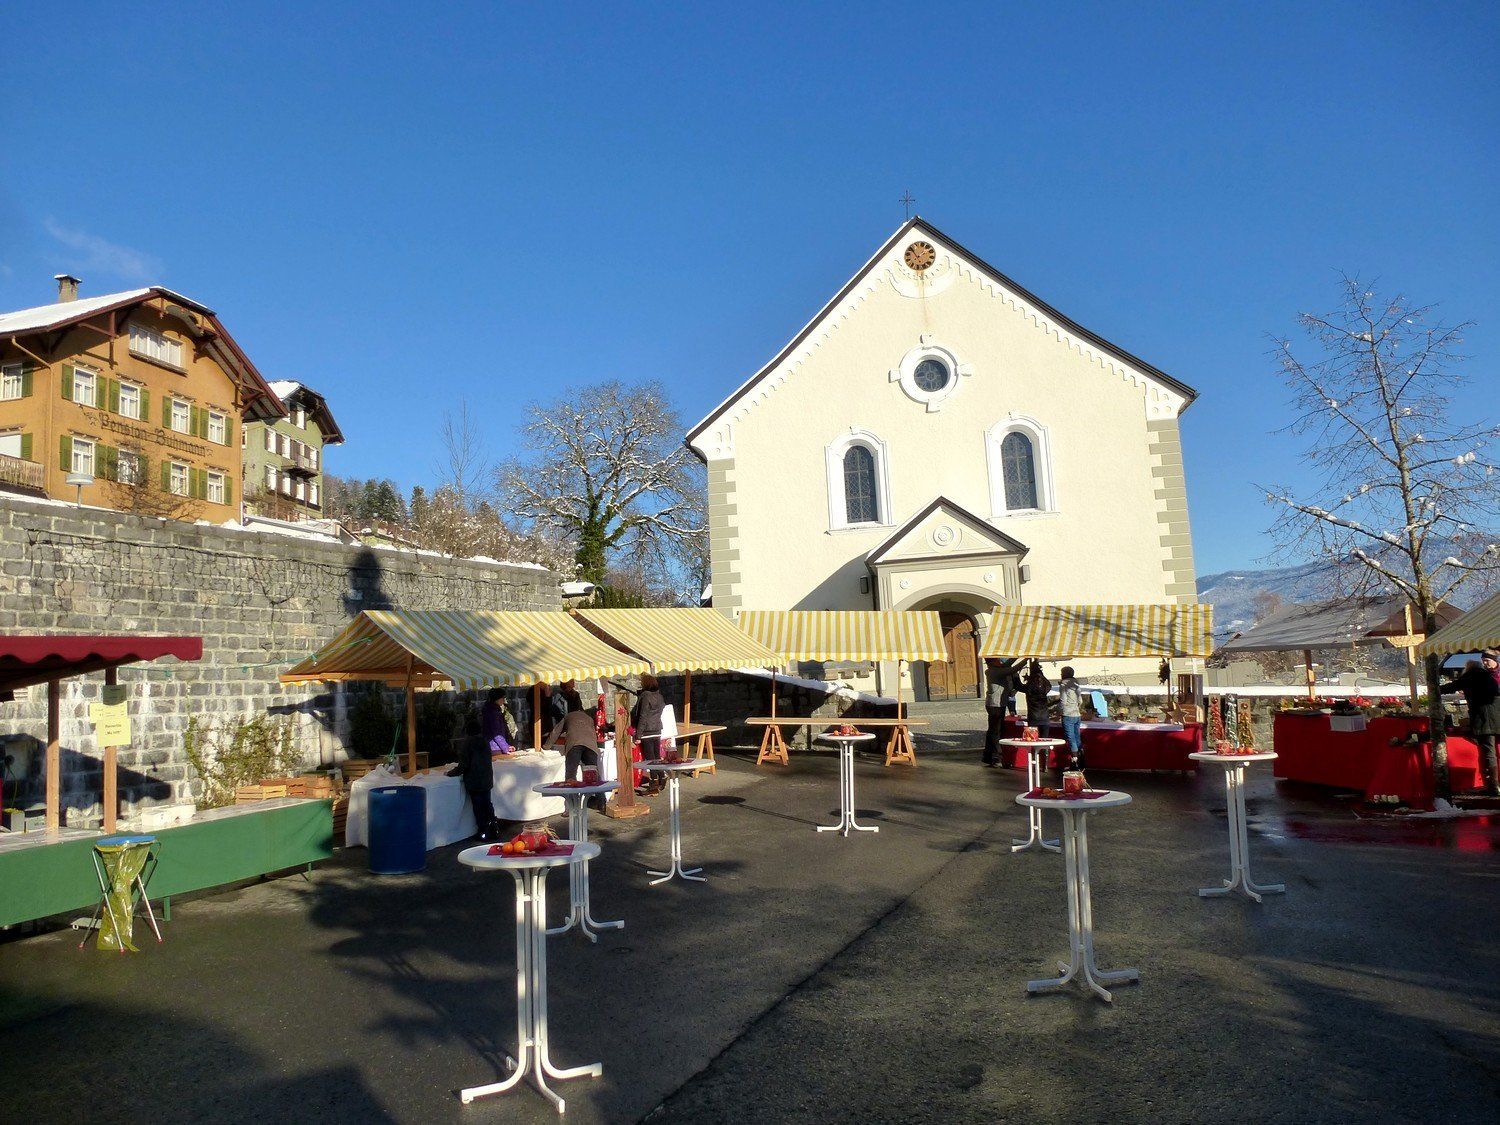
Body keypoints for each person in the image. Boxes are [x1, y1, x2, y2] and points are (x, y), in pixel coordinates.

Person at [1440, 650, 1500, 795]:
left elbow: (1449, 687)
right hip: (1497, 719)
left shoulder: (1471, 676)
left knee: (1488, 752)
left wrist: (1434, 689)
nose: (1485, 663)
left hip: (1483, 720)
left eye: (1487, 660)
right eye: (1484, 661)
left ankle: (1493, 786)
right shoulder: (1490, 677)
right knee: (1494, 751)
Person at [547, 695, 603, 807]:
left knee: (571, 775)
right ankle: (601, 802)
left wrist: (546, 746)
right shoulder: (589, 718)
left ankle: (572, 804)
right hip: (591, 745)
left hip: (574, 744)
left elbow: (556, 732)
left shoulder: (568, 716)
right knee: (593, 775)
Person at [448, 725, 499, 842]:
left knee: (478, 807)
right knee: (487, 804)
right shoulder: (485, 742)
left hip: (474, 780)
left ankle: (483, 831)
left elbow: (463, 765)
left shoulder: (467, 744)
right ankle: (494, 828)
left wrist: (451, 773)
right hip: (486, 779)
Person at [981, 658, 1011, 768]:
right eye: (998, 660)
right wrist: (1025, 659)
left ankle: (988, 756)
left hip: (997, 704)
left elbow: (1008, 664)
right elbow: (1011, 669)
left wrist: (1018, 656)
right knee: (996, 731)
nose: (1000, 662)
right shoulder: (993, 671)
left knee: (993, 730)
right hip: (995, 705)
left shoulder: (996, 670)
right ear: (993, 662)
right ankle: (996, 756)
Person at [632, 674, 667, 761]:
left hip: (647, 731)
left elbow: (643, 716)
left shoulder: (645, 696)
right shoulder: (660, 696)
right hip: (657, 729)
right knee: (657, 758)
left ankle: (655, 771)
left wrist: (638, 735)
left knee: (650, 760)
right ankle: (660, 771)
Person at [1058, 665, 1084, 776]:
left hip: (1067, 714)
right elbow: (1080, 701)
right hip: (1077, 714)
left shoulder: (1063, 685)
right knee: (1077, 737)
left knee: (1071, 738)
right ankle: (1081, 760)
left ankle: (1075, 762)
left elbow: (1063, 701)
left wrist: (1059, 710)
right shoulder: (1076, 684)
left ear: (1064, 674)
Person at [1023, 659, 1052, 742]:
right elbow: (1049, 685)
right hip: (1044, 718)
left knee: (1032, 740)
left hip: (1033, 719)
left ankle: (1035, 751)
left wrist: (1016, 675)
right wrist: (1041, 674)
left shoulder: (1028, 688)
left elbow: (1017, 685)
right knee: (1044, 741)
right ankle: (1044, 751)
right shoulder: (1044, 690)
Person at [481, 688, 515, 756]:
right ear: (497, 699)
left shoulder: (490, 709)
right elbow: (497, 733)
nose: (504, 700)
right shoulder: (493, 713)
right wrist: (505, 748)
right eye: (502, 698)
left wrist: (506, 746)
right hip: (495, 747)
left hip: (493, 745)